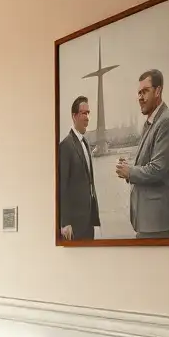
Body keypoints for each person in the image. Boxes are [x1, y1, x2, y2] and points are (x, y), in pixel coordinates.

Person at [114, 69, 169, 238]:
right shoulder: (150, 122)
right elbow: (147, 163)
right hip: (148, 223)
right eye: (139, 92)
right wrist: (130, 167)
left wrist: (130, 172)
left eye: (145, 91)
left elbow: (158, 169)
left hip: (158, 225)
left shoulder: (167, 122)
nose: (140, 97)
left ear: (158, 91)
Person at [59, 95, 99, 240]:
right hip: (74, 225)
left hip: (88, 221)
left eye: (88, 113)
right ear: (74, 116)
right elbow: (62, 186)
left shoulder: (86, 143)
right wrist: (65, 222)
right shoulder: (66, 146)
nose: (87, 117)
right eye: (83, 113)